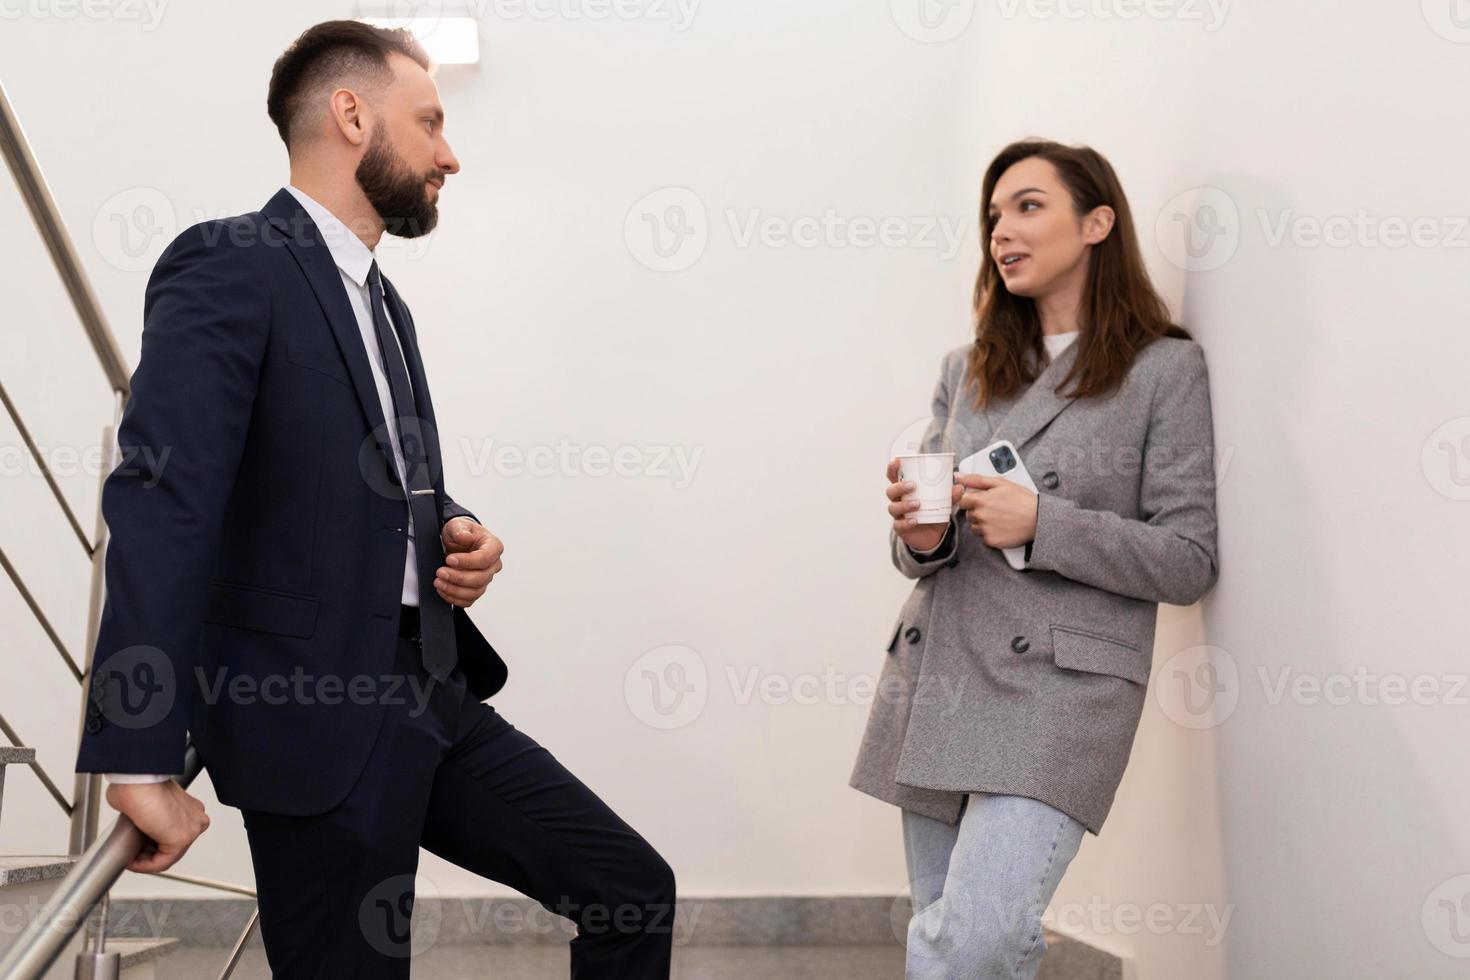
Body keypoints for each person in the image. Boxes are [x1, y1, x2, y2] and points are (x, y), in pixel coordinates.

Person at [74, 20, 674, 978]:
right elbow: (164, 499)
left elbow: (354, 480)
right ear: (351, 115)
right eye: (430, 122)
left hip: (430, 689)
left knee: (631, 889)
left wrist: (454, 526)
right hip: (308, 714)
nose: (451, 154)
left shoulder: (379, 299)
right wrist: (136, 751)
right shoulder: (228, 262)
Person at [850, 138, 1220, 979]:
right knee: (957, 937)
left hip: (1062, 689)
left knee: (971, 941)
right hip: (942, 674)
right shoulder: (969, 370)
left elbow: (1189, 558)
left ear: (1097, 223)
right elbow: (928, 550)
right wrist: (920, 537)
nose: (1002, 232)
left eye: (1027, 207)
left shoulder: (1164, 369)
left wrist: (1044, 523)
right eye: (992, 217)